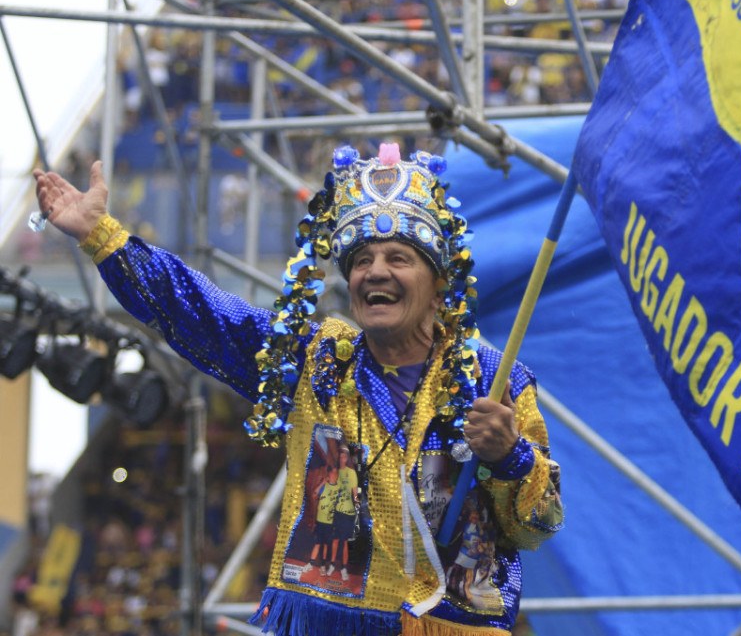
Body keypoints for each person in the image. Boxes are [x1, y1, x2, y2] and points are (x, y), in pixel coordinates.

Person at [32, 145, 564, 636]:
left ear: (440, 283)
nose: (375, 271)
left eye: (398, 258)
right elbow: (197, 311)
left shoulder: (493, 378)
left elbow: (539, 525)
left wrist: (511, 456)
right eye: (360, 260)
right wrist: (101, 235)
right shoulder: (314, 358)